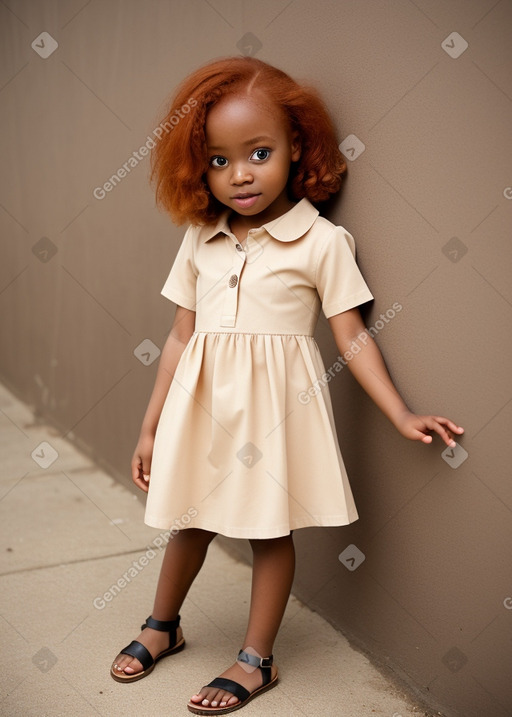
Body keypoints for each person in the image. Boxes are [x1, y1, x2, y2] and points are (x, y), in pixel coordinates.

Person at [110, 56, 464, 714]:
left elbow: (351, 334)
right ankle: (163, 624)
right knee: (189, 519)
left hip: (275, 414)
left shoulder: (321, 242)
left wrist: (398, 411)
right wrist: (151, 426)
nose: (239, 174)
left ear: (296, 147)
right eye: (218, 161)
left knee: (268, 533)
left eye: (259, 152)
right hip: (201, 409)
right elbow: (182, 336)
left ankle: (256, 658)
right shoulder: (199, 238)